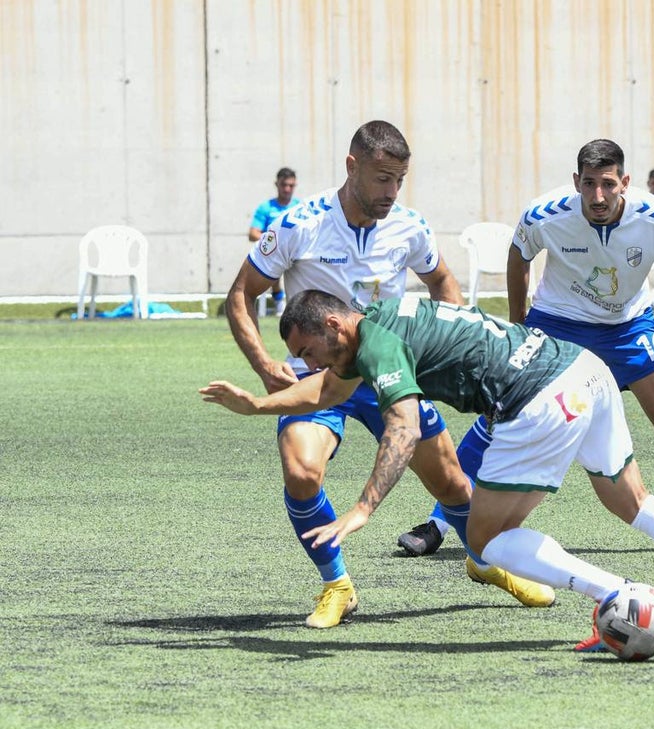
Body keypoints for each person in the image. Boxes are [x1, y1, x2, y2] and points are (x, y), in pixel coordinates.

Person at [200, 291, 654, 649]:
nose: (309, 363)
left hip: (540, 399)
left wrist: (363, 508)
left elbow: (401, 427)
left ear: (333, 322)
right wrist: (257, 405)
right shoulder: (373, 326)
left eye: (312, 349)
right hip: (582, 369)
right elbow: (325, 389)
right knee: (633, 503)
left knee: (486, 539)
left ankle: (620, 598)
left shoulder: (375, 343)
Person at [225, 120, 552, 629]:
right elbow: (240, 295)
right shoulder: (300, 224)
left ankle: (486, 563)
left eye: (399, 179)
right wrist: (267, 365)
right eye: (381, 178)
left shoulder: (410, 226)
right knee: (301, 471)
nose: (390, 191)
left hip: (389, 376)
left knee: (452, 486)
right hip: (322, 378)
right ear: (352, 166)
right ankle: (337, 586)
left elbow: (443, 282)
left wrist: (452, 356)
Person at [507, 138, 654, 552]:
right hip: (559, 323)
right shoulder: (544, 214)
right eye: (589, 184)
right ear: (576, 181)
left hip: (628, 328)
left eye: (609, 184)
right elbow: (518, 254)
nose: (598, 196)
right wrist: (517, 324)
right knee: (507, 416)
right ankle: (444, 519)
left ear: (625, 183)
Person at [248, 167, 301, 317]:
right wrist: (276, 240)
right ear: (276, 184)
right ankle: (279, 302)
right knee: (273, 262)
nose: (287, 189)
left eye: (291, 185)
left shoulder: (300, 207)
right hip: (274, 251)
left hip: (296, 252)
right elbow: (253, 234)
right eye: (284, 185)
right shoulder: (266, 208)